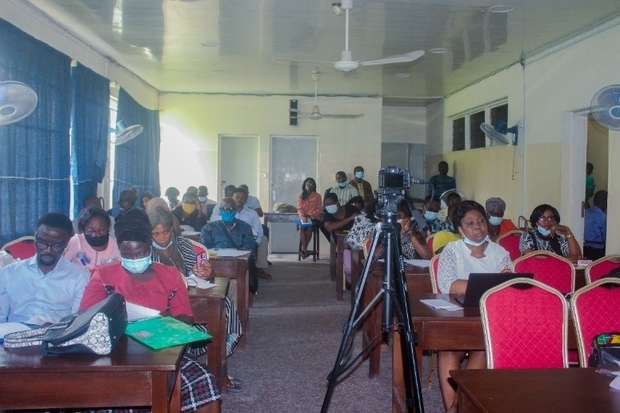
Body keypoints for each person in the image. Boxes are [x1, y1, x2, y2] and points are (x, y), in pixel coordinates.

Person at [79, 216, 221, 412]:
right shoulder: (103, 275)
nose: (135, 259)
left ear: (150, 248)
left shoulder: (170, 274)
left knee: (204, 379)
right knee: (109, 391)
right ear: (119, 251)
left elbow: (186, 316)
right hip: (118, 352)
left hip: (161, 348)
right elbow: (86, 315)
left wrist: (163, 325)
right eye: (128, 255)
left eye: (141, 253)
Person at [148, 206, 243, 391]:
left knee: (225, 307)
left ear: (172, 229)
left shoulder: (184, 245)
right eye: (156, 234)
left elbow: (201, 273)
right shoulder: (144, 252)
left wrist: (207, 272)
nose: (162, 238)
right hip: (165, 308)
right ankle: (198, 371)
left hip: (193, 298)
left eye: (166, 232)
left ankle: (216, 366)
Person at [436, 200, 513, 411]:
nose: (478, 226)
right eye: (470, 223)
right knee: (449, 351)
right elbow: (449, 285)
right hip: (458, 317)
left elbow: (511, 284)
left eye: (481, 221)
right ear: (460, 229)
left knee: (483, 350)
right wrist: (493, 283)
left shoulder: (500, 253)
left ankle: (458, 408)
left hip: (491, 320)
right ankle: (455, 409)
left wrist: (491, 284)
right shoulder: (452, 251)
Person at [0, 213, 89, 325]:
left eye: (56, 245)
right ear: (36, 237)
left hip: (57, 337)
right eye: (43, 243)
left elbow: (77, 323)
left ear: (66, 244)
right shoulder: (8, 274)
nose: (48, 250)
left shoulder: (79, 277)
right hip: (15, 337)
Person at [201, 197, 259, 294]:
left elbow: (250, 247)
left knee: (237, 281)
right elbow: (204, 250)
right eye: (225, 208)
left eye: (231, 209)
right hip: (216, 264)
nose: (228, 211)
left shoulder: (245, 227)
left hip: (237, 263)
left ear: (236, 210)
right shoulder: (209, 228)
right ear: (220, 210)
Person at [64, 205, 121, 271]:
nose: (97, 234)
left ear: (108, 228)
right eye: (91, 231)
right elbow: (63, 265)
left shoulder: (117, 246)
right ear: (83, 229)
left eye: (102, 230)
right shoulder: (76, 241)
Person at [296, 177, 323, 259]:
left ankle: (304, 250)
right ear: (304, 185)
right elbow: (299, 209)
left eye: (311, 183)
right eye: (307, 183)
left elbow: (319, 209)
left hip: (313, 218)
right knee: (302, 227)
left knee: (310, 227)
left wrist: (310, 215)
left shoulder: (317, 196)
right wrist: (303, 216)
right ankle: (305, 250)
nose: (309, 185)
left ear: (314, 185)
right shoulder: (300, 196)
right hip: (303, 218)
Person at [583, 190, 607, 260]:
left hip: (583, 248)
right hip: (597, 251)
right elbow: (605, 237)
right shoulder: (602, 217)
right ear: (604, 202)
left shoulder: (585, 213)